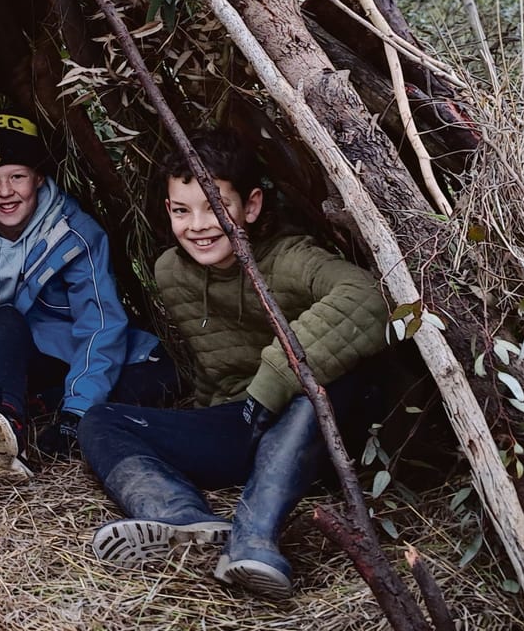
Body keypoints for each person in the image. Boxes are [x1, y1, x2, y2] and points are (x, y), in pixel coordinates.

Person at [77, 131, 391, 598]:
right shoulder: (172, 271)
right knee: (101, 421)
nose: (198, 225)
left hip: (314, 434)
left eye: (214, 207)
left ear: (252, 205)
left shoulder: (290, 260)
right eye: (182, 210)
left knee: (318, 384)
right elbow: (214, 373)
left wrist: (271, 382)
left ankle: (255, 537)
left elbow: (370, 297)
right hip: (240, 421)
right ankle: (180, 516)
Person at [0, 96, 168, 477]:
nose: (5, 192)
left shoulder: (73, 234)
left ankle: (46, 404)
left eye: (16, 176)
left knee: (159, 375)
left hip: (57, 357)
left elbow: (99, 324)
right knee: (5, 319)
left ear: (37, 177)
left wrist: (76, 411)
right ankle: (2, 431)